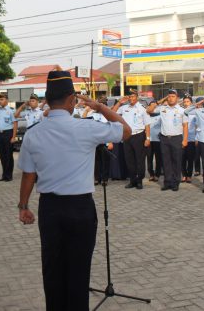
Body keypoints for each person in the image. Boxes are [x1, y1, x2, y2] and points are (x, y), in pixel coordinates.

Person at [17, 70, 131, 310]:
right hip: (80, 209)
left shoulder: (33, 133)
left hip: (50, 209)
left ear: (47, 100)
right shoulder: (86, 128)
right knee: (79, 271)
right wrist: (99, 106)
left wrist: (24, 206)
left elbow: (28, 175)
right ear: (72, 100)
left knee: (52, 270)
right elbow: (126, 131)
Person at [147, 89, 189, 191]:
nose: (170, 98)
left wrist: (185, 139)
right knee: (166, 161)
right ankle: (167, 182)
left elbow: (185, 126)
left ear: (177, 98)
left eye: (173, 96)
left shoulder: (181, 110)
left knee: (176, 161)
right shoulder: (162, 108)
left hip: (176, 138)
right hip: (164, 138)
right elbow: (149, 110)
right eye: (169, 96)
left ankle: (175, 183)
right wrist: (160, 101)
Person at [112, 88, 151, 189]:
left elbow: (147, 124)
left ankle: (139, 181)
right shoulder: (124, 107)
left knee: (140, 160)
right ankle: (132, 180)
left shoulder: (142, 108)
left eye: (133, 96)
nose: (131, 98)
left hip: (139, 136)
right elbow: (113, 111)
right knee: (129, 160)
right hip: (127, 137)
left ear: (137, 97)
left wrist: (147, 138)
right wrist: (120, 102)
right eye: (130, 96)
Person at [85, 96, 113, 185]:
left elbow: (111, 128)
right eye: (99, 104)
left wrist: (110, 142)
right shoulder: (92, 114)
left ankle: (105, 179)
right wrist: (86, 110)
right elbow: (84, 120)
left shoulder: (108, 114)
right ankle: (97, 178)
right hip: (95, 142)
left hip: (105, 141)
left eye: (103, 104)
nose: (101, 105)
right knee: (96, 162)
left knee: (105, 161)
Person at [180, 96, 197, 184]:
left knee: (190, 159)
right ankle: (184, 175)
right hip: (182, 139)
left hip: (191, 139)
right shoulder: (181, 112)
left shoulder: (194, 113)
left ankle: (189, 175)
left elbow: (197, 126)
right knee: (182, 158)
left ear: (191, 103)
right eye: (185, 101)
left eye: (188, 101)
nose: (186, 103)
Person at [147, 101, 163, 182]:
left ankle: (157, 174)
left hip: (158, 140)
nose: (153, 107)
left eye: (155, 106)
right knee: (149, 158)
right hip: (149, 140)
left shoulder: (160, 115)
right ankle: (151, 174)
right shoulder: (146, 116)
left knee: (158, 158)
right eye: (151, 105)